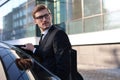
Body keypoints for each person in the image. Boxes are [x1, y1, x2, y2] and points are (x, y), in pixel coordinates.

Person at [16, 4, 72, 80]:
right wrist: (33, 50)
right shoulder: (43, 37)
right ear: (35, 21)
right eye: (40, 17)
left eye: (46, 15)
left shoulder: (58, 34)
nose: (44, 19)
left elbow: (64, 68)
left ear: (51, 16)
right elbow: (47, 55)